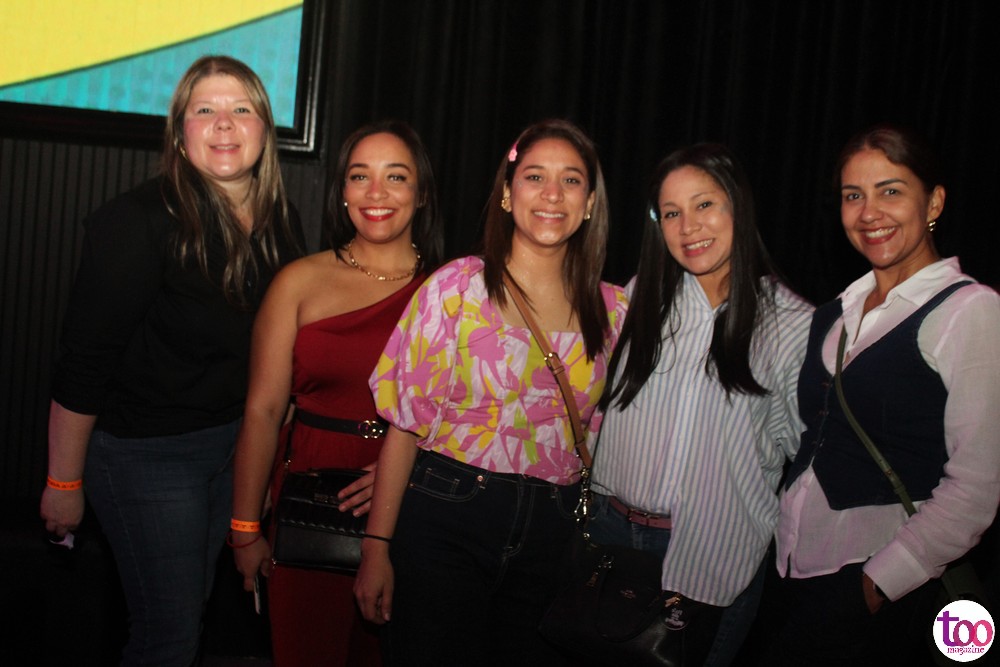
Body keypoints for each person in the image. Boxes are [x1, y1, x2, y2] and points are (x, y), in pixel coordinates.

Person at [39, 55, 305, 666]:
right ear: (181, 134)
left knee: (190, 617)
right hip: (148, 456)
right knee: (170, 635)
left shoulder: (280, 224)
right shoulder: (137, 221)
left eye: (241, 109)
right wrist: (63, 482)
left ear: (264, 129)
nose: (224, 123)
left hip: (231, 451)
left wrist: (264, 466)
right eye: (204, 109)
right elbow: (83, 362)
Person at [353, 119, 629, 665]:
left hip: (553, 533)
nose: (552, 194)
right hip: (448, 518)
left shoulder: (617, 310)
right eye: (535, 176)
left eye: (571, 180)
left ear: (590, 203)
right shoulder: (456, 288)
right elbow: (404, 427)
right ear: (507, 194)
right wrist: (376, 546)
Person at [767, 125, 1000, 665]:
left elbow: (977, 486)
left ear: (933, 202)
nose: (869, 212)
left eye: (890, 191)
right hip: (791, 571)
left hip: (876, 589)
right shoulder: (837, 312)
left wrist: (875, 585)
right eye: (853, 195)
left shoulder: (970, 312)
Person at [588, 143, 813, 665]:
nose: (689, 227)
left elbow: (807, 462)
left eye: (704, 204)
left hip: (713, 560)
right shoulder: (640, 298)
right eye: (671, 213)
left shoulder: (794, 325)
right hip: (610, 538)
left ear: (738, 205)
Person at [230, 120, 444, 666]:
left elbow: (470, 415)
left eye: (396, 176)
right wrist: (245, 527)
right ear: (342, 190)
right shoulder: (297, 282)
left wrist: (408, 471)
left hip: (415, 503)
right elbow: (264, 411)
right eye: (359, 175)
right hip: (310, 496)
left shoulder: (452, 291)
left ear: (421, 193)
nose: (376, 192)